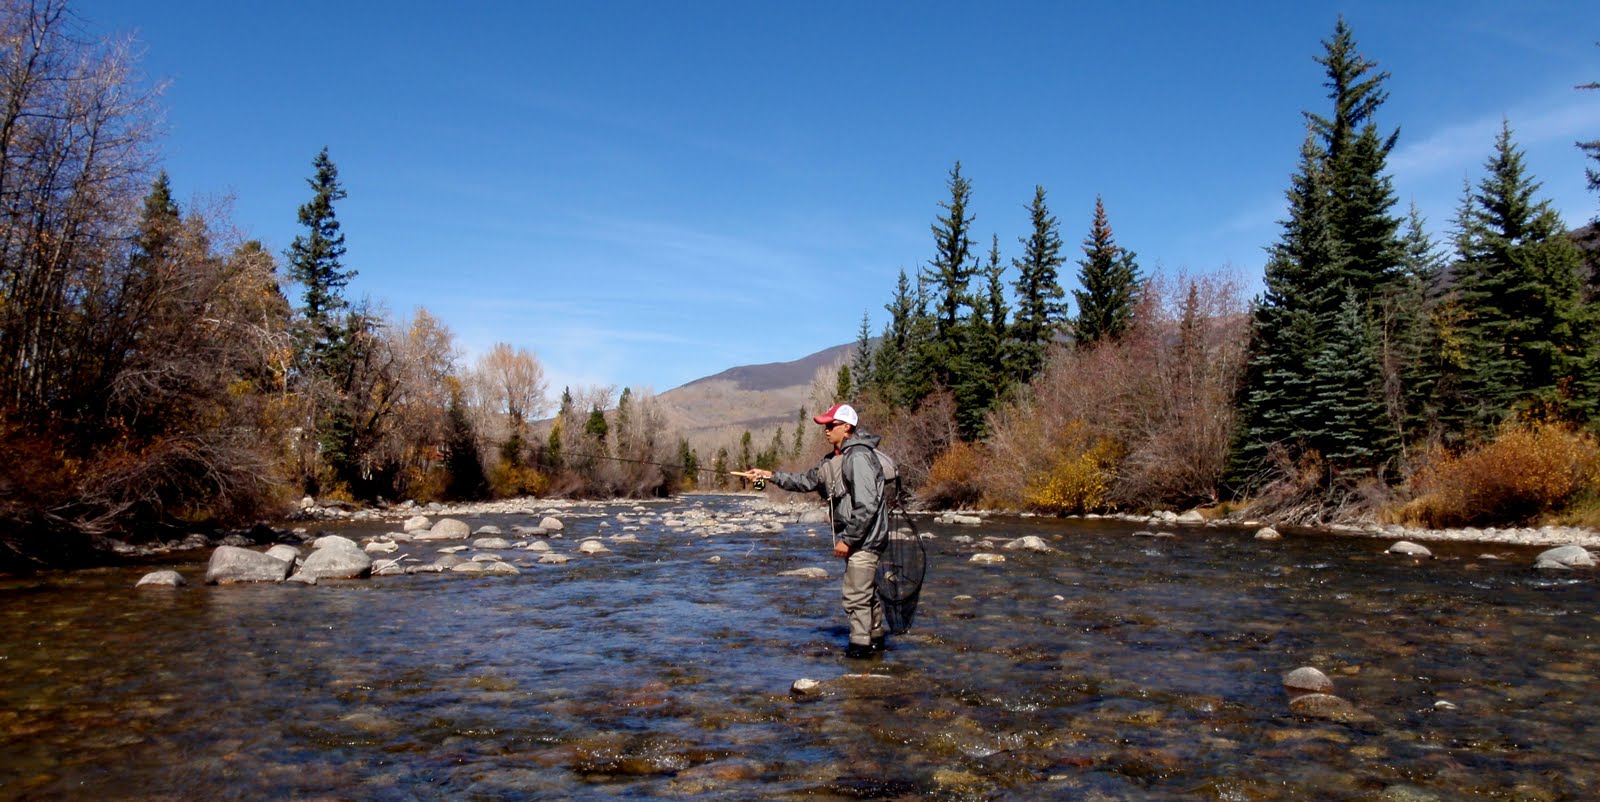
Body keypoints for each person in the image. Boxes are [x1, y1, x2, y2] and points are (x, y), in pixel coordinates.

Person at [734, 403, 888, 659]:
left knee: (855, 596)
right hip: (860, 537)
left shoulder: (859, 456)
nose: (825, 430)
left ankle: (860, 655)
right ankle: (877, 645)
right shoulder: (832, 460)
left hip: (865, 538)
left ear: (846, 427)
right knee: (866, 592)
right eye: (824, 426)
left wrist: (847, 540)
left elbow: (868, 504)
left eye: (830, 425)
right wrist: (765, 477)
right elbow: (804, 482)